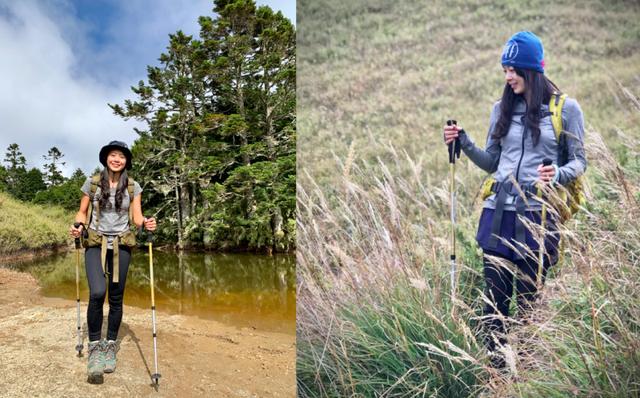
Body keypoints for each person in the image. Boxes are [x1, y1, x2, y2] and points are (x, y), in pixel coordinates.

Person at [443, 31, 586, 368]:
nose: (508, 77)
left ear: (533, 70)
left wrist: (558, 175)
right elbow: (493, 161)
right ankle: (496, 377)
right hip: (497, 216)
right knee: (493, 307)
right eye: (505, 69)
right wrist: (463, 141)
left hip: (538, 218)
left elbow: (579, 161)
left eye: (514, 70)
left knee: (529, 307)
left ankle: (525, 377)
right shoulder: (501, 108)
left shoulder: (565, 109)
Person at [70, 140, 157, 383]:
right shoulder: (93, 182)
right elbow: (82, 212)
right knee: (98, 292)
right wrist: (78, 226)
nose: (116, 159)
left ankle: (110, 345)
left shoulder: (133, 186)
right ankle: (95, 347)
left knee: (116, 297)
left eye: (121, 156)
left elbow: (137, 218)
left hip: (122, 244)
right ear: (106, 158)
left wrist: (146, 223)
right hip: (96, 243)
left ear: (126, 161)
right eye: (112, 155)